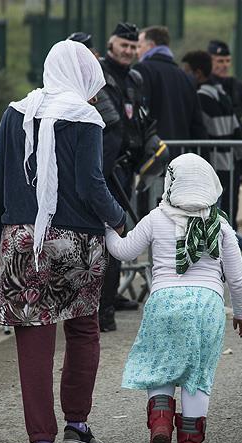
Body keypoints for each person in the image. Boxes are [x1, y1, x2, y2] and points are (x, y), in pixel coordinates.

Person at [0, 40, 126, 443]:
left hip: (22, 240)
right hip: (77, 243)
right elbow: (90, 184)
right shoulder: (86, 117)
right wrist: (119, 218)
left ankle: (42, 442)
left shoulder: (15, 112)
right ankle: (77, 423)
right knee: (83, 330)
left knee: (34, 340)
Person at [104, 153, 242, 443]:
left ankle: (160, 422)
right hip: (208, 304)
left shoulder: (156, 218)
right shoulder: (221, 225)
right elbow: (237, 279)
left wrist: (107, 228)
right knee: (197, 375)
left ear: (170, 184)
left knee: (161, 365)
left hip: (164, 301)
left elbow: (124, 251)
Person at [182, 50, 242, 287]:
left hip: (212, 167)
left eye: (186, 71)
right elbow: (238, 134)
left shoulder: (201, 97)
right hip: (229, 166)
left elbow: (201, 133)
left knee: (211, 223)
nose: (184, 75)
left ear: (197, 73)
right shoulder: (221, 93)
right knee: (214, 222)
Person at [75, 23, 146, 331]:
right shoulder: (99, 73)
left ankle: (107, 305)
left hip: (124, 171)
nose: (128, 51)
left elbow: (139, 122)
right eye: (123, 45)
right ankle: (98, 311)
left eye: (133, 46)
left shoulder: (135, 79)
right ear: (111, 44)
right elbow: (109, 128)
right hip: (104, 172)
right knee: (102, 238)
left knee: (116, 239)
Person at [134, 25, 205, 217]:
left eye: (139, 46)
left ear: (150, 46)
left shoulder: (142, 70)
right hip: (181, 161)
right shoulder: (185, 77)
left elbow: (140, 114)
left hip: (153, 159)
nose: (136, 51)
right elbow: (197, 124)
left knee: (149, 217)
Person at [207, 40, 242, 141]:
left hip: (235, 144)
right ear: (209, 62)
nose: (225, 65)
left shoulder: (237, 87)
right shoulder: (202, 87)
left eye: (228, 61)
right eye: (220, 61)